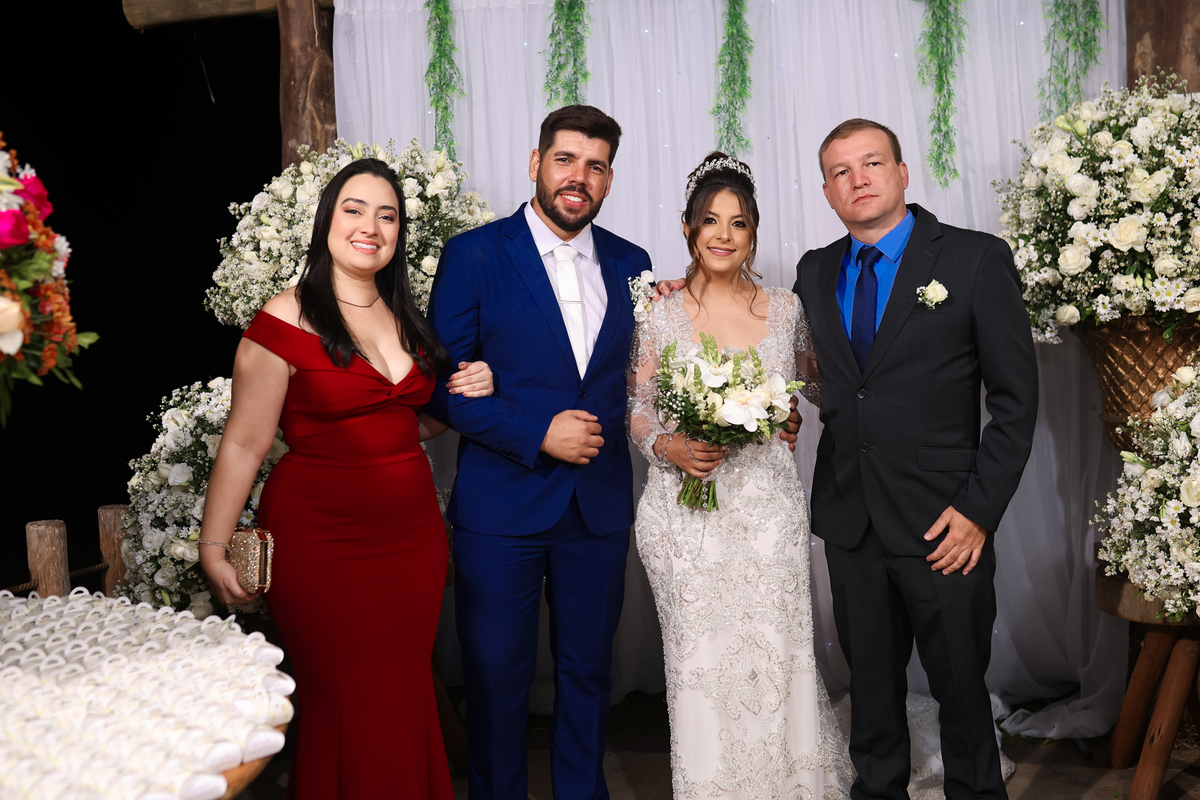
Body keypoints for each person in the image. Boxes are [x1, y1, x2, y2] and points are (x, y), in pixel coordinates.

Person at [199, 158, 494, 800]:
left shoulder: (405, 318)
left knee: (401, 694)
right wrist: (213, 547)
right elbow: (245, 442)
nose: (371, 226)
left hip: (411, 542)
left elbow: (407, 424)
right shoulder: (284, 319)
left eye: (387, 215)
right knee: (348, 699)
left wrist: (470, 388)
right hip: (322, 542)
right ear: (327, 220)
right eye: (354, 209)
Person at [793, 119, 1038, 800]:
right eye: (840, 172)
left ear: (902, 173)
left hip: (945, 523)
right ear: (827, 192)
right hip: (851, 520)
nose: (858, 179)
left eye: (872, 163)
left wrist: (978, 511)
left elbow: (1016, 401)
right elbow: (814, 370)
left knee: (961, 691)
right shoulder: (814, 271)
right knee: (871, 696)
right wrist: (684, 292)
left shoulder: (974, 259)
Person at [424, 105, 653, 800]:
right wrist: (537, 432)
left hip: (598, 507)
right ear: (536, 164)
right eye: (565, 160)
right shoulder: (474, 255)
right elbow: (437, 389)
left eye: (595, 166)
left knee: (589, 675)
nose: (578, 177)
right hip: (502, 506)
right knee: (498, 677)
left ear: (609, 178)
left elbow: (640, 377)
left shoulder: (633, 263)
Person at [628, 152, 851, 800]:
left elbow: (818, 385)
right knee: (699, 661)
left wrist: (788, 410)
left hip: (767, 512)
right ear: (688, 228)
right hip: (684, 516)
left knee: (777, 653)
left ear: (753, 233)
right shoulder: (659, 313)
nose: (724, 235)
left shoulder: (786, 308)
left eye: (739, 222)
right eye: (710, 221)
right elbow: (636, 406)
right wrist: (668, 445)